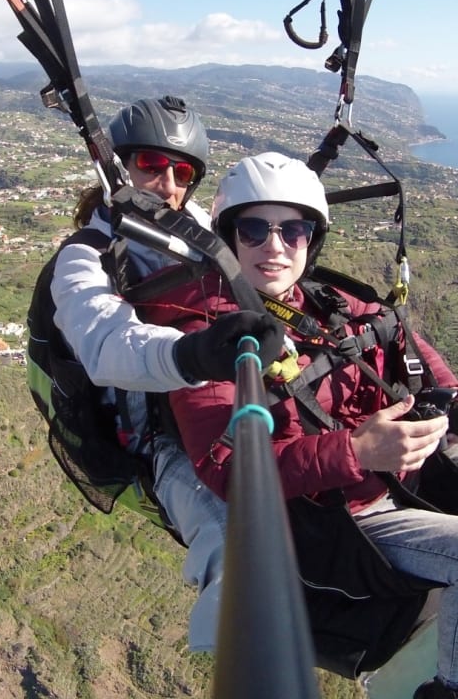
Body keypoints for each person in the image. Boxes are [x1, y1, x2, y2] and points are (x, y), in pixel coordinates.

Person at [144, 151, 458, 697]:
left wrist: (448, 400)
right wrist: (357, 451)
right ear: (228, 237)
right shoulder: (207, 333)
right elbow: (228, 465)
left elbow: (405, 344)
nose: (274, 246)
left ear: (311, 240)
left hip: (393, 483)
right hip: (341, 522)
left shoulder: (324, 303)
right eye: (253, 229)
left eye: (293, 230)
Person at [39, 98, 282, 651]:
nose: (168, 183)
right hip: (156, 434)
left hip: (223, 395)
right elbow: (105, 343)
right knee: (234, 545)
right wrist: (192, 356)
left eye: (183, 172)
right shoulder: (86, 256)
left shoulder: (192, 228)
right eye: (150, 163)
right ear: (118, 167)